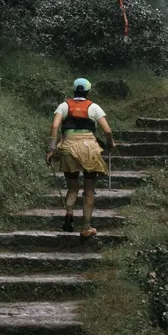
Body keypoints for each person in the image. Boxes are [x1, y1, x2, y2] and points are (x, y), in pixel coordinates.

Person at [46, 77, 116, 237]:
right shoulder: (94, 107)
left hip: (68, 148)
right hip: (90, 150)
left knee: (72, 187)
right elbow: (107, 130)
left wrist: (51, 148)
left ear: (73, 90)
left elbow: (55, 126)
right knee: (89, 189)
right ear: (88, 92)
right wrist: (110, 143)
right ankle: (86, 227)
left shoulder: (64, 106)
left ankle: (69, 211)